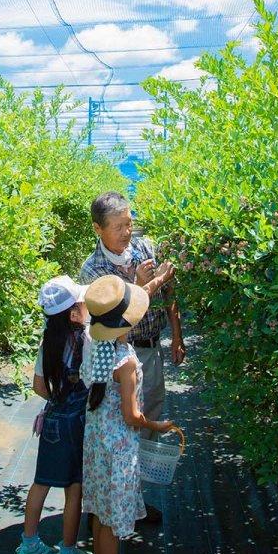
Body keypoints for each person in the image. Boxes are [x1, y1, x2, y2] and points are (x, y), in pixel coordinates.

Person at [79, 191, 185, 523]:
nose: (127, 232)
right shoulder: (92, 270)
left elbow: (170, 295)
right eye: (119, 226)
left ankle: (132, 498)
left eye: (130, 223)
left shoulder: (145, 248)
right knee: (121, 425)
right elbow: (111, 320)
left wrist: (177, 335)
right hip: (116, 359)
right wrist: (141, 285)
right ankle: (113, 503)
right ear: (98, 228)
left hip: (150, 352)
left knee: (146, 418)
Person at [81, 274, 175, 554]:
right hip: (117, 448)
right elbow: (132, 417)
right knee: (109, 520)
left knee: (99, 512)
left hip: (95, 445)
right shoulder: (127, 361)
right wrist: (157, 426)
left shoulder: (96, 347)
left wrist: (155, 281)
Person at [13, 275, 94, 554]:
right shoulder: (84, 339)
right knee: (74, 487)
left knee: (41, 481)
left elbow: (38, 386)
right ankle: (68, 553)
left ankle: (29, 545)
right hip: (76, 423)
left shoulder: (48, 339)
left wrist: (57, 398)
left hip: (52, 420)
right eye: (82, 303)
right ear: (74, 313)